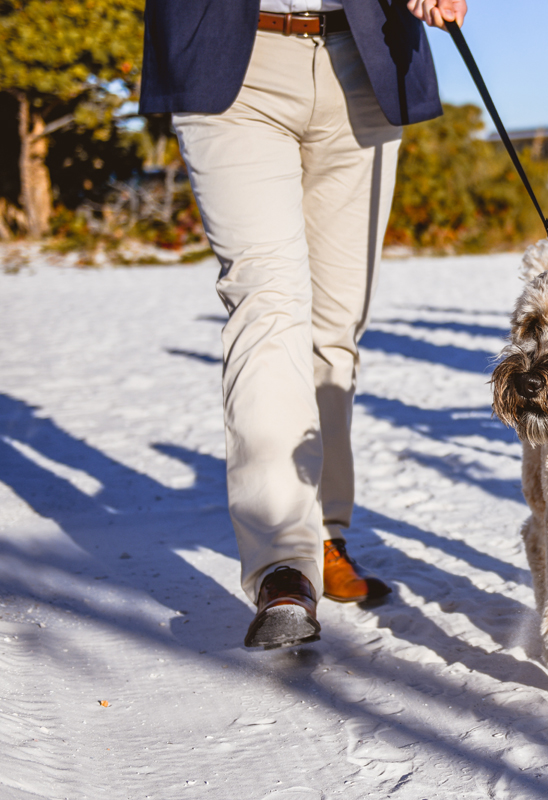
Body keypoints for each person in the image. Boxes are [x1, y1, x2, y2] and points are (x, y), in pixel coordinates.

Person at [139, 0, 468, 650]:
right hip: (233, 59)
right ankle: (282, 566)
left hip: (367, 55)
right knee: (269, 304)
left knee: (334, 324)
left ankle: (325, 535)